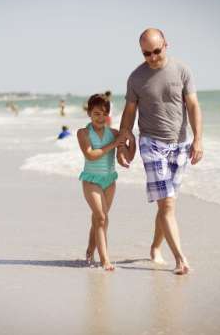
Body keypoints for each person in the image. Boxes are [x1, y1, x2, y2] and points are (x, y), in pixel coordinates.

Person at [117, 28, 203, 275]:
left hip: (180, 145)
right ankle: (180, 258)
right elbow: (130, 111)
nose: (153, 57)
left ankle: (155, 247)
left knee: (167, 206)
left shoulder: (182, 70)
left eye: (156, 51)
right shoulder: (136, 78)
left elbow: (194, 105)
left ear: (166, 45)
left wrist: (198, 139)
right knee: (167, 204)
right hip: (151, 144)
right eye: (147, 54)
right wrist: (123, 142)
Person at [77, 93, 134, 271]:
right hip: (91, 180)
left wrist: (131, 140)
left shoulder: (114, 133)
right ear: (89, 114)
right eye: (96, 114)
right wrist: (114, 143)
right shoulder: (83, 133)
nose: (100, 118)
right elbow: (91, 155)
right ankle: (105, 260)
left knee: (99, 219)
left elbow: (127, 157)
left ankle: (89, 251)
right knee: (101, 217)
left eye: (103, 114)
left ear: (108, 114)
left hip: (109, 180)